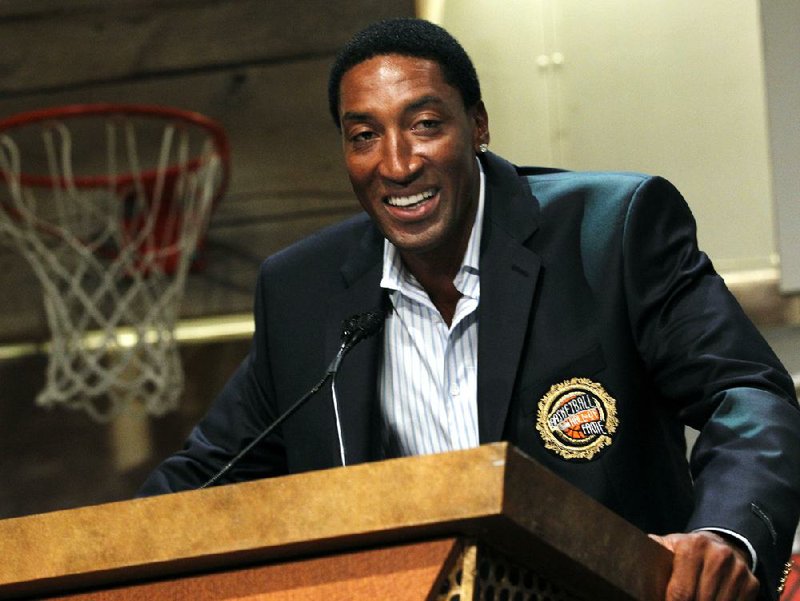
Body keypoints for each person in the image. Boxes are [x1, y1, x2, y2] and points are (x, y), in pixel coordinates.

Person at [139, 18, 800, 601]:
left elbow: (745, 394)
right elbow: (205, 477)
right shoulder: (303, 293)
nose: (396, 163)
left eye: (425, 125)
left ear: (478, 125)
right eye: (364, 135)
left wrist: (725, 536)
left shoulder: (611, 232)